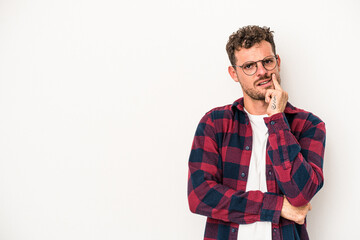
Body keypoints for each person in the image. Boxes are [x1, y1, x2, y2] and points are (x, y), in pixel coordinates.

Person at [187, 25, 326, 240]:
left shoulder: (308, 126)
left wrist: (277, 121)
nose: (262, 71)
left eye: (267, 62)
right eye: (249, 66)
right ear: (234, 73)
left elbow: (300, 195)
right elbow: (200, 195)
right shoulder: (215, 124)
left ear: (277, 62)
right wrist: (276, 206)